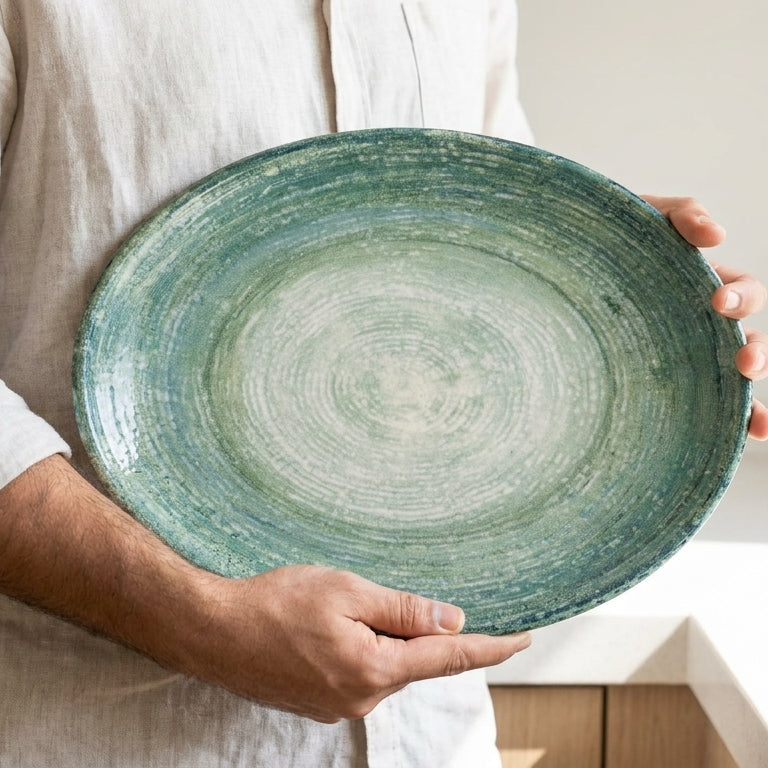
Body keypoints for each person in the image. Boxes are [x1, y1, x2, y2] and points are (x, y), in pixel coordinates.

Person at [0, 2, 765, 766]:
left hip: (438, 736)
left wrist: (621, 275)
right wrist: (193, 616)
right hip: (102, 734)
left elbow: (484, 212)